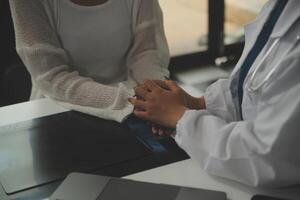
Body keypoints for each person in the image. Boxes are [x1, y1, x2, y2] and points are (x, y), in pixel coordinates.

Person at [130, 0, 300, 188]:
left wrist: (181, 118)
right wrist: (198, 104)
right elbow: (251, 85)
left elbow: (268, 156)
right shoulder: (283, 6)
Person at [9, 0, 169, 122]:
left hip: (134, 110)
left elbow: (147, 51)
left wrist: (156, 92)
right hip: (56, 111)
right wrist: (131, 102)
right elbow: (52, 77)